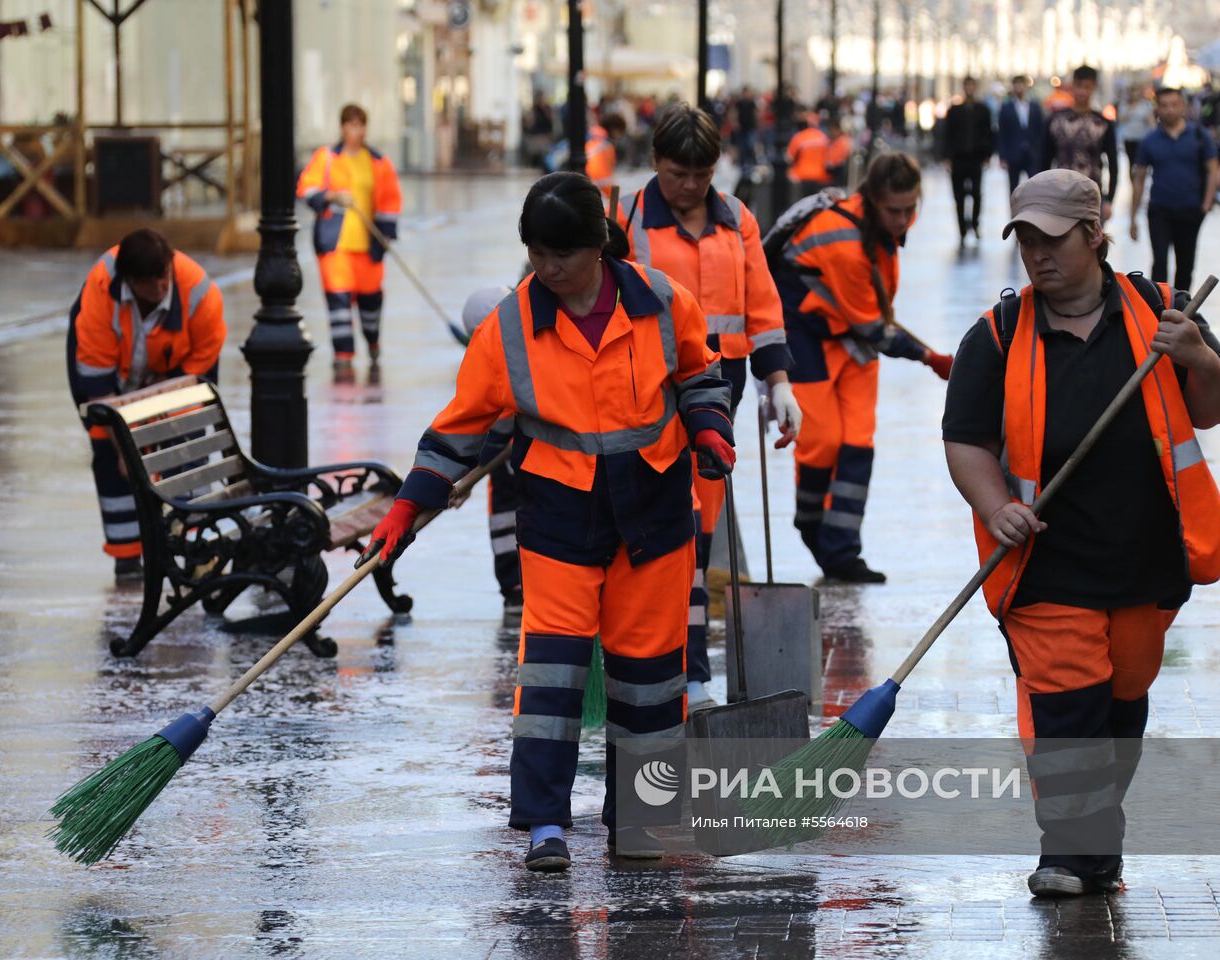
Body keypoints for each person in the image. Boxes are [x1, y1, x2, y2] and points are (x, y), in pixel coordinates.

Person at [360, 172, 735, 872]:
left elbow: (699, 374)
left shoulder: (659, 302)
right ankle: (543, 824)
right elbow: (462, 427)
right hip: (560, 517)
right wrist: (408, 504)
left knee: (651, 680)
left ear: (597, 248)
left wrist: (709, 429)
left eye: (558, 255)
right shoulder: (510, 327)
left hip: (652, 516)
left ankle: (643, 822)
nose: (545, 268)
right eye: (534, 252)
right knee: (552, 678)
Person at [942, 169, 1220, 898]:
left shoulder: (1161, 311)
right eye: (1026, 241)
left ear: (1094, 235)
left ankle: (1097, 840)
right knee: (1067, 704)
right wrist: (993, 507)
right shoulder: (998, 334)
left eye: (1052, 239)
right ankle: (1068, 854)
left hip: (1146, 561)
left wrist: (1196, 356)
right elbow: (965, 440)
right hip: (1045, 564)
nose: (1037, 255)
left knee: (1122, 702)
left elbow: (1219, 407)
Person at [616, 103, 801, 713]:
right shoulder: (629, 218)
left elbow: (763, 305)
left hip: (721, 389)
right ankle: (657, 660)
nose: (690, 187)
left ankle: (691, 670)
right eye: (677, 174)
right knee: (664, 532)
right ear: (655, 164)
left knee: (699, 532)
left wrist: (780, 386)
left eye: (701, 174)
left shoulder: (736, 220)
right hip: (646, 391)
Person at [767, 153, 953, 583]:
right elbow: (874, 327)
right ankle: (812, 524)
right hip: (804, 337)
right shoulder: (844, 242)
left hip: (846, 338)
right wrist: (930, 359)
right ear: (871, 200)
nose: (904, 219)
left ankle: (843, 552)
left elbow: (872, 316)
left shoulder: (874, 227)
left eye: (911, 209)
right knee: (823, 440)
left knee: (858, 443)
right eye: (895, 211)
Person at [66, 228, 226, 580]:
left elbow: (199, 370)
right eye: (151, 283)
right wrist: (124, 450)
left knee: (186, 444)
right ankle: (127, 557)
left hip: (176, 374)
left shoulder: (201, 293)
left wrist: (162, 402)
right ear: (130, 281)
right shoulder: (99, 293)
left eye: (165, 276)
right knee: (108, 454)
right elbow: (97, 389)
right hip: (112, 378)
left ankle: (197, 545)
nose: (161, 288)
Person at [297, 103, 403, 376]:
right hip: (335, 245)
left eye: (361, 125)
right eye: (351, 124)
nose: (356, 131)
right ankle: (342, 355)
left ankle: (372, 341)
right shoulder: (327, 158)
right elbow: (306, 188)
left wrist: (387, 234)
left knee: (370, 301)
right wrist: (331, 196)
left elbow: (391, 200)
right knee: (338, 301)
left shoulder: (378, 162)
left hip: (369, 245)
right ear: (342, 127)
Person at [459, 285, 524, 611]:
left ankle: (518, 584)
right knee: (504, 514)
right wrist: (466, 474)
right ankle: (514, 584)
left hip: (525, 450)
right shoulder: (494, 357)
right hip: (505, 454)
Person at [1129, 88, 1220, 294]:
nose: (1169, 110)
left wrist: (1206, 204)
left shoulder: (1199, 135)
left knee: (1185, 264)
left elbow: (1213, 169)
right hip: (1160, 209)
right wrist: (1133, 216)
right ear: (1158, 109)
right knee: (1159, 263)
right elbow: (1140, 178)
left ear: (1183, 107)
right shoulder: (1150, 140)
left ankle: (1180, 310)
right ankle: (1158, 308)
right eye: (1164, 105)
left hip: (1190, 209)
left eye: (1174, 104)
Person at [1040, 66, 1119, 222]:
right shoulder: (1055, 121)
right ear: (1072, 86)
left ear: (1094, 87)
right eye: (1078, 86)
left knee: (1092, 243)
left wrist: (1109, 199)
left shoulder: (1103, 123)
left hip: (1092, 194)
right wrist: (1043, 195)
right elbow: (1044, 160)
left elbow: (1113, 163)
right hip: (1060, 194)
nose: (1082, 91)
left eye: (1087, 87)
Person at [943, 77, 996, 244]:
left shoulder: (983, 110)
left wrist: (987, 156)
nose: (969, 89)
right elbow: (947, 134)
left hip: (975, 158)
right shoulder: (954, 111)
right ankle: (962, 228)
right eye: (967, 86)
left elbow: (989, 134)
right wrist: (947, 157)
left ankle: (974, 223)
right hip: (958, 159)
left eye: (972, 85)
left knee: (976, 194)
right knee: (958, 195)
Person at [998, 75, 1044, 194]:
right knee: (1014, 189)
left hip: (1032, 154)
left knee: (1035, 187)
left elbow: (1040, 131)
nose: (1019, 87)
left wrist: (1041, 152)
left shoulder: (1035, 107)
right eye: (1016, 84)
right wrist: (1002, 156)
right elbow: (1002, 133)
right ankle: (1015, 212)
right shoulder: (1006, 108)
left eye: (1021, 84)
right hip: (1013, 154)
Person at [787, 112, 832, 197]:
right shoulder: (824, 137)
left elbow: (789, 157)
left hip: (803, 176)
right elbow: (829, 159)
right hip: (820, 176)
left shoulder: (800, 137)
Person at [1116, 85, 1155, 173]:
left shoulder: (1145, 105)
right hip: (1128, 136)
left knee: (1141, 161)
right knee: (1131, 161)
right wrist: (1130, 111)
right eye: (1132, 91)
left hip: (1142, 136)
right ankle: (1133, 181)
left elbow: (1150, 120)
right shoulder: (1124, 105)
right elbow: (1120, 120)